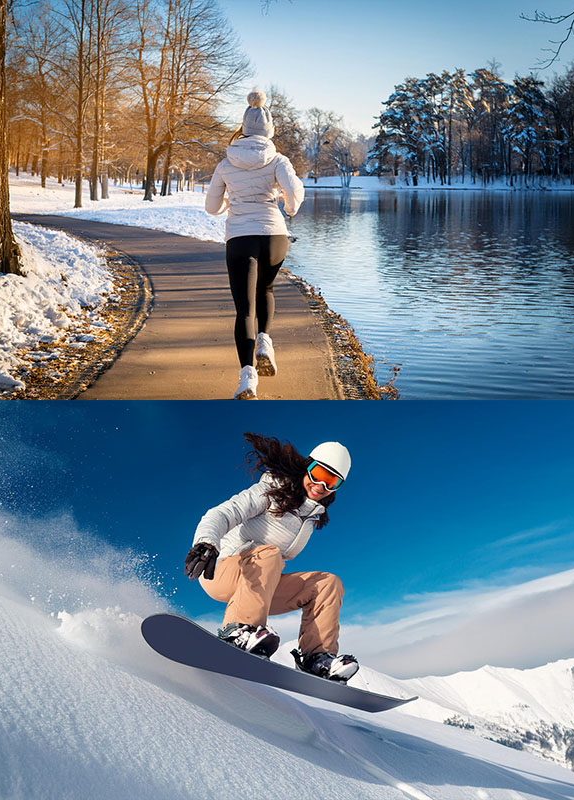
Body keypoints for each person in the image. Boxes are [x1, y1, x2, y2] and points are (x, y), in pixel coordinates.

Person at [183, 433, 358, 682]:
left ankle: (316, 658)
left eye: (332, 481)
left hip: (259, 586)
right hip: (220, 570)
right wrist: (206, 543)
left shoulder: (310, 517)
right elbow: (222, 513)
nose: (321, 486)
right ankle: (239, 630)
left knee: (328, 584)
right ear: (306, 467)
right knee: (270, 553)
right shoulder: (272, 490)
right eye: (318, 474)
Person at [205, 91, 305, 400]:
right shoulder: (278, 160)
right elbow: (294, 194)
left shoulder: (226, 163)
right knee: (267, 290)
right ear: (269, 130)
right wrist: (288, 208)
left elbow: (210, 206)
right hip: (275, 237)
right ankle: (265, 343)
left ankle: (247, 380)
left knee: (244, 309)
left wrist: (229, 202)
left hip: (240, 237)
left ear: (244, 128)